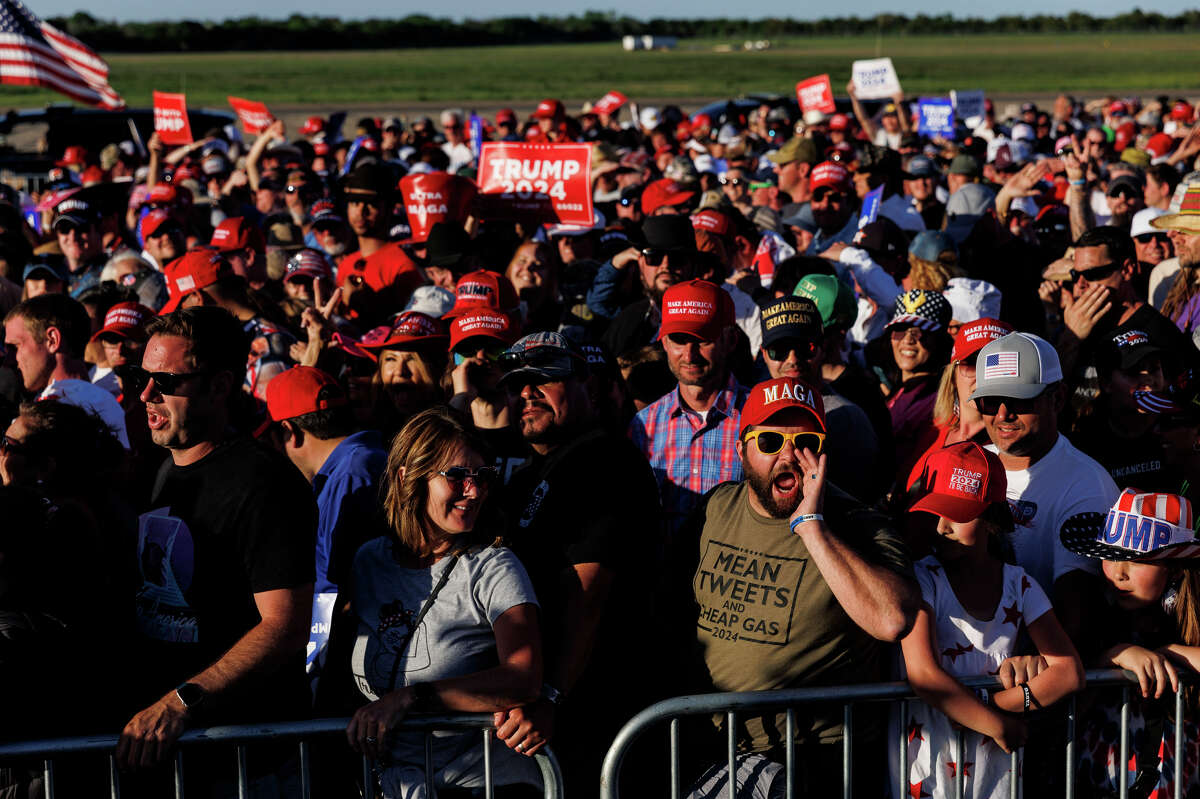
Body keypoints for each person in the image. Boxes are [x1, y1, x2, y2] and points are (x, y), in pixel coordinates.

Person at [669, 376, 918, 797]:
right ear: (741, 448)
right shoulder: (715, 507)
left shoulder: (860, 525)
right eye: (769, 442)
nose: (788, 457)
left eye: (805, 442)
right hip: (707, 745)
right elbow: (668, 611)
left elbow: (892, 618)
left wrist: (813, 528)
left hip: (812, 760)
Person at [115, 307, 315, 796]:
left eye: (165, 381)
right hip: (162, 756)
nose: (146, 394)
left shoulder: (264, 482)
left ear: (220, 386)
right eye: (142, 377)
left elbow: (284, 626)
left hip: (246, 760)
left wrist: (181, 703)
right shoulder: (152, 471)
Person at [340, 407, 544, 797]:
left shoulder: (494, 566)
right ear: (407, 478)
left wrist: (411, 698)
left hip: (482, 784)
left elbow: (525, 677)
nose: (474, 490)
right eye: (456, 476)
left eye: (483, 477)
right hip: (391, 784)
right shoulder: (369, 562)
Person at [497, 331, 663, 798]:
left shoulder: (606, 462)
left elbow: (586, 595)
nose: (527, 392)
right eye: (516, 383)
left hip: (596, 705)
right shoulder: (530, 474)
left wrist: (550, 695)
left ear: (586, 386)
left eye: (544, 378)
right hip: (550, 707)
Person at [894, 441, 1084, 798]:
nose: (942, 527)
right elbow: (923, 675)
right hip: (926, 773)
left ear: (992, 521)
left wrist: (997, 708)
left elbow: (1068, 672)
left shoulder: (1020, 584)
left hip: (997, 774)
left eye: (958, 513)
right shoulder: (921, 580)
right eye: (937, 512)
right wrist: (993, 722)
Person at [969, 331, 1119, 644]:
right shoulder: (969, 466)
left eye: (1019, 399)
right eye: (990, 401)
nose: (1002, 414)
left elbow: (1075, 620)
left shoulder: (1086, 485)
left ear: (1059, 398)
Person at [1060, 490, 1200, 796]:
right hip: (1098, 783)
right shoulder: (1091, 618)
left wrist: (1169, 652)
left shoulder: (1190, 620)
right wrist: (1113, 657)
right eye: (1109, 556)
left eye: (1136, 559)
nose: (1118, 572)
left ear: (1174, 568)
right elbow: (1061, 716)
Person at [263, 366, 387, 697]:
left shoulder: (352, 473)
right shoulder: (360, 461)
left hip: (357, 658)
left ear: (290, 431)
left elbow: (335, 583)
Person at [629, 278, 746, 535]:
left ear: (731, 340)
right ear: (664, 342)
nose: (690, 355)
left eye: (703, 339)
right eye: (679, 339)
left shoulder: (759, 420)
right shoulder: (642, 426)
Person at [759, 295, 881, 501]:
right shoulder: (751, 410)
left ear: (823, 348)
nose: (792, 359)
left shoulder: (848, 419)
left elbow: (857, 504)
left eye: (805, 348)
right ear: (764, 354)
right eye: (779, 351)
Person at [3, 293, 129, 448]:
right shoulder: (108, 403)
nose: (9, 359)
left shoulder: (52, 411)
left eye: (16, 346)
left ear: (52, 340)